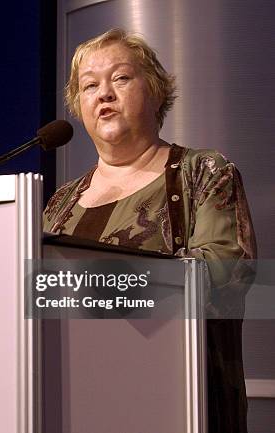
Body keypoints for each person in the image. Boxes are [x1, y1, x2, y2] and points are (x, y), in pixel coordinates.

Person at [44, 29, 256, 433]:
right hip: (72, 409)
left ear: (156, 90)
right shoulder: (60, 206)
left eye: (120, 78)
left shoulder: (203, 173)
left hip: (180, 409)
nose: (104, 93)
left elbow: (227, 274)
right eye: (90, 86)